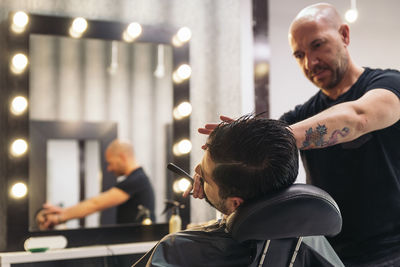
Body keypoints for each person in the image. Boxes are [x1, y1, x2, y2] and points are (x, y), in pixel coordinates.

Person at [198, 3, 400, 266]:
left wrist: (277, 136)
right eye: (299, 54)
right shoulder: (298, 116)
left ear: (344, 35)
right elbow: (257, 169)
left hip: (392, 251)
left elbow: (359, 117)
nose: (310, 62)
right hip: (329, 254)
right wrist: (214, 169)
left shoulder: (388, 85)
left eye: (317, 45)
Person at [141, 115, 343, 267]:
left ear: (235, 203)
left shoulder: (177, 250)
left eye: (205, 177)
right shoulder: (311, 243)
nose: (196, 174)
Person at [36, 139, 155, 229]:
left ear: (122, 157)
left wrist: (60, 217)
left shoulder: (137, 180)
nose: (109, 168)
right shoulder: (138, 179)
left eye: (110, 163)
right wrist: (62, 212)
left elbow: (95, 204)